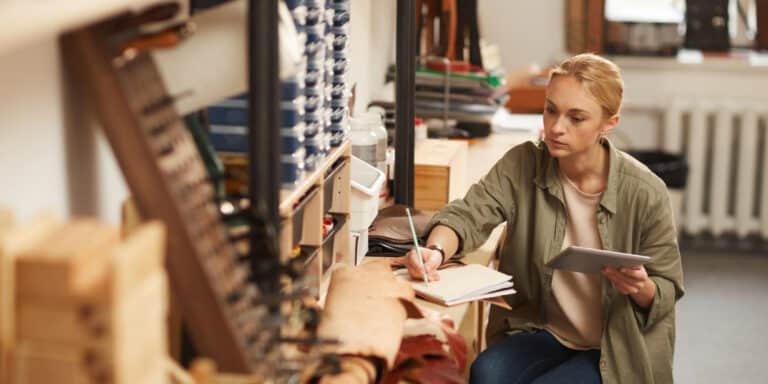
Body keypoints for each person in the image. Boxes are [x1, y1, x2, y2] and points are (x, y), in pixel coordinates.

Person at [402, 53, 684, 383]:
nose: (555, 127)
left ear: (609, 124)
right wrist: (434, 251)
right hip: (544, 329)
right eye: (551, 109)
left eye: (576, 118)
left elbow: (667, 288)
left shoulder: (646, 191)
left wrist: (641, 287)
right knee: (485, 374)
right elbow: (469, 213)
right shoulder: (524, 163)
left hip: (612, 345)